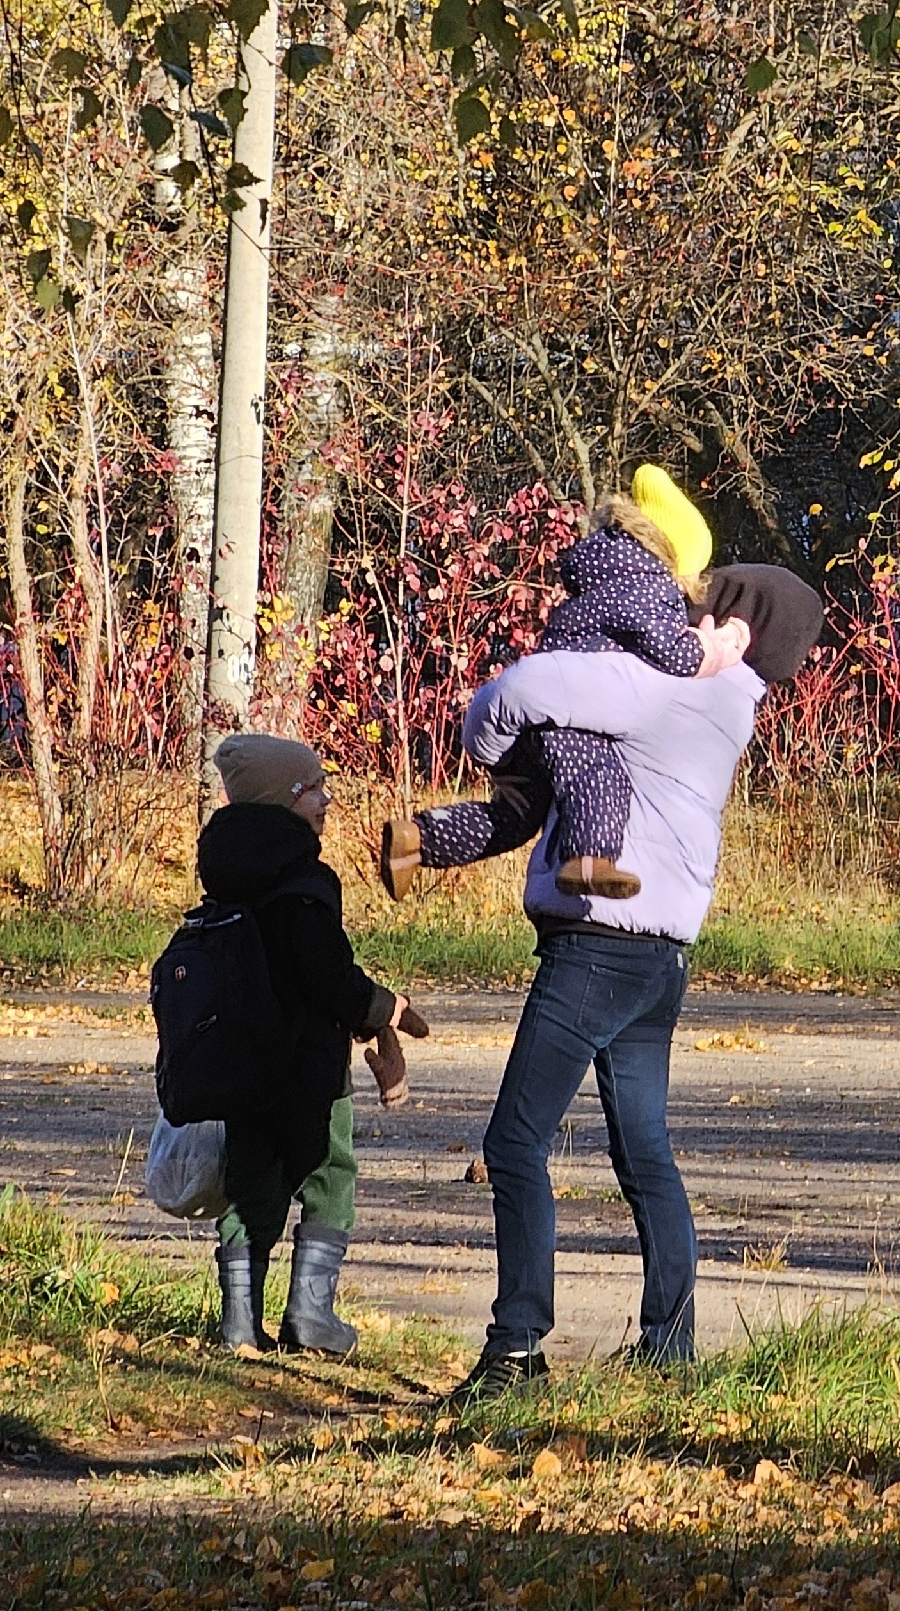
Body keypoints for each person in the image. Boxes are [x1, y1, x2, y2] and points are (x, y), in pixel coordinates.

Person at [441, 564, 823, 1399]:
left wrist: (494, 756)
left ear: (736, 627)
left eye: (702, 603)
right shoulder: (730, 706)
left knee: (514, 1143)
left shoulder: (668, 691)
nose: (682, 609)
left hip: (598, 947)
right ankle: (669, 1347)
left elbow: (528, 685)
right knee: (644, 1148)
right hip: (661, 958)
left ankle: (516, 1357)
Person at [379, 467, 743, 902]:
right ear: (673, 555)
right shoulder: (645, 587)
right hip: (569, 720)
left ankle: (416, 841)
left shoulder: (603, 579)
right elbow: (675, 654)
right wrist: (716, 646)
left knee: (515, 814)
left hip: (534, 721)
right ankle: (589, 862)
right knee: (598, 775)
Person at [199, 733, 430, 1355]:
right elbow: (326, 976)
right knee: (331, 1176)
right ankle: (310, 1315)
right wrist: (383, 1009)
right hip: (307, 1069)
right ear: (284, 801)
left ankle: (240, 1324)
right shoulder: (303, 879)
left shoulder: (227, 869)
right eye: (313, 790)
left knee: (255, 1185)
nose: (327, 800)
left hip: (243, 1070)